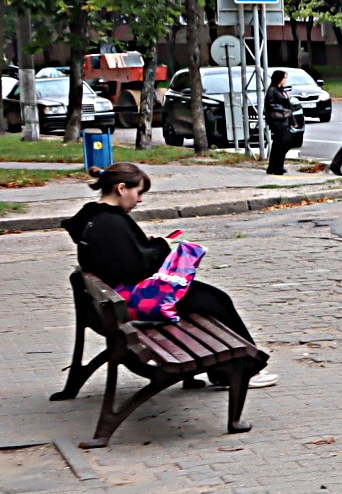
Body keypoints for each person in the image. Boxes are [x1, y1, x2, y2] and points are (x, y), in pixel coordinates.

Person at [62, 164, 276, 387]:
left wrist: (150, 245)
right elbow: (138, 267)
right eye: (139, 192)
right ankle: (244, 370)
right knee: (217, 301)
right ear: (122, 188)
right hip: (133, 301)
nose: (140, 200)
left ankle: (223, 370)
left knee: (210, 298)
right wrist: (161, 247)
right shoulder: (111, 222)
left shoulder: (92, 214)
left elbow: (122, 255)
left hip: (111, 300)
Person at [261, 69, 296, 176]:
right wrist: (283, 111)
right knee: (284, 141)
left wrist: (292, 120)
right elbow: (270, 105)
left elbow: (289, 106)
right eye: (284, 77)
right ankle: (277, 167)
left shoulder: (282, 91)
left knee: (279, 143)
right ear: (279, 78)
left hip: (283, 120)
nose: (286, 80)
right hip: (276, 120)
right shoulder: (272, 90)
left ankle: (274, 166)